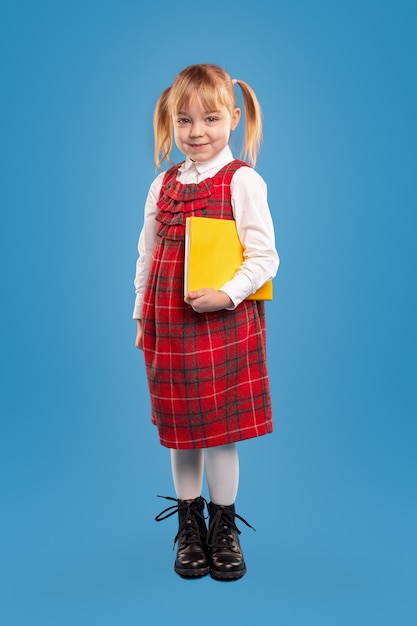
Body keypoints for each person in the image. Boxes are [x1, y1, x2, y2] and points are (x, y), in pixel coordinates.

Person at [132, 63, 279, 581]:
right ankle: (188, 524)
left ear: (234, 119)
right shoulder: (162, 184)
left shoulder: (243, 181)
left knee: (219, 432)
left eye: (210, 119)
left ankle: (224, 527)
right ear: (171, 123)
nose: (196, 133)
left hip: (223, 326)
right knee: (180, 433)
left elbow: (264, 258)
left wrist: (226, 294)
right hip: (168, 324)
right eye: (185, 121)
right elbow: (147, 255)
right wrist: (139, 315)